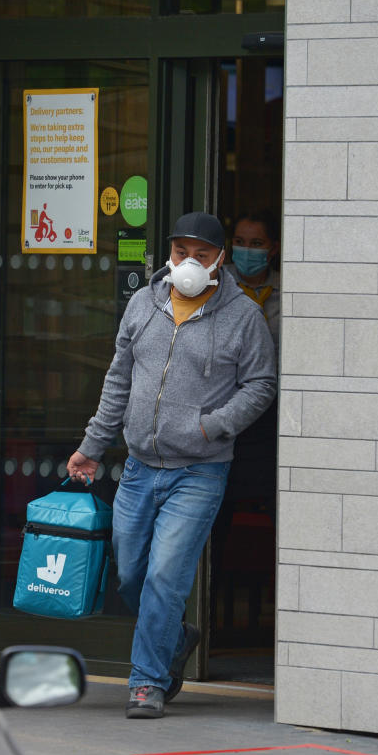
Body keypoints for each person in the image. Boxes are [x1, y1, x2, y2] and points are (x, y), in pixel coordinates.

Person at [66, 211, 276, 719]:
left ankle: (146, 683)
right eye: (182, 252)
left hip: (199, 471)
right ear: (170, 253)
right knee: (131, 573)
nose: (190, 262)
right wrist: (92, 445)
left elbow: (262, 385)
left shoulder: (243, 315)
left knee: (165, 576)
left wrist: (212, 426)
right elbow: (118, 380)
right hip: (139, 467)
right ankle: (175, 636)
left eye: (202, 255)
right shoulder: (144, 303)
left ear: (219, 260)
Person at [228, 211, 281, 352]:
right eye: (239, 242)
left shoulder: (286, 290)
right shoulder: (217, 283)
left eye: (256, 243)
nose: (246, 250)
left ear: (274, 248)